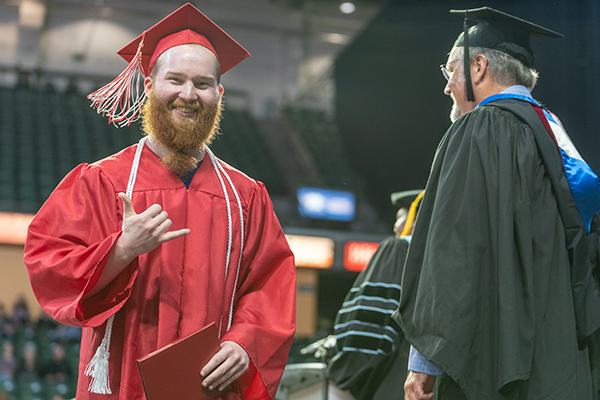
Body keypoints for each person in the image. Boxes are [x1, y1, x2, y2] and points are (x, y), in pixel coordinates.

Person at [23, 3, 296, 399]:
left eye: (203, 84)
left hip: (207, 384)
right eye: (176, 80)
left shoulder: (245, 196)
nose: (189, 94)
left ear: (219, 94)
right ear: (150, 86)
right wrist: (121, 250)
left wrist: (244, 342)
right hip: (123, 381)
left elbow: (270, 284)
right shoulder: (102, 181)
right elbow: (48, 261)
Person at [393, 7, 600, 400]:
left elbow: (452, 251)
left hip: (493, 367)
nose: (447, 85)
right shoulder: (555, 137)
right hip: (561, 367)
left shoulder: (481, 129)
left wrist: (424, 362)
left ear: (479, 67)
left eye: (450, 70)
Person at [328, 190, 423, 400]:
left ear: (415, 219)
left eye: (400, 218)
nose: (395, 226)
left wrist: (347, 372)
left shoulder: (398, 249)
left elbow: (368, 326)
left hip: (393, 381)